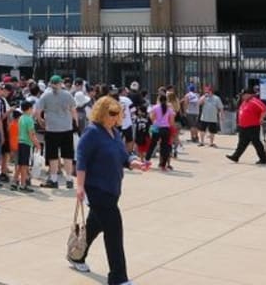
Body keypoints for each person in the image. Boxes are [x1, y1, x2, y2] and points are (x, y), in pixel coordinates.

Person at [71, 96, 148, 284]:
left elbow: (124, 156)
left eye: (117, 113)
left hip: (112, 189)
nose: (115, 117)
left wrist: (135, 163)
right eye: (111, 113)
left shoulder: (113, 132)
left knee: (94, 226)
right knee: (114, 231)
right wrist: (80, 186)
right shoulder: (92, 132)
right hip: (97, 189)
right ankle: (118, 277)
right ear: (101, 112)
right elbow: (82, 160)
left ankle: (76, 255)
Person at [35, 75, 78, 189]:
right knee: (68, 155)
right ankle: (69, 179)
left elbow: (37, 111)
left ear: (50, 83)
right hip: (66, 128)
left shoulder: (45, 95)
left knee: (53, 155)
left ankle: (54, 179)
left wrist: (41, 122)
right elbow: (74, 110)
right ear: (60, 83)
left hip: (52, 128)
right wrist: (76, 123)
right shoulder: (67, 94)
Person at [227, 87, 266, 165]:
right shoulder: (244, 102)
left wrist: (261, 118)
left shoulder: (255, 101)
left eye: (243, 95)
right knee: (241, 143)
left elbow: (265, 109)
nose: (242, 96)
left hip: (252, 126)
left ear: (249, 94)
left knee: (256, 143)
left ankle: (263, 159)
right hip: (243, 127)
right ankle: (235, 156)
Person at [13, 100, 39, 192]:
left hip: (20, 142)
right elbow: (31, 134)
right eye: (31, 108)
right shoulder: (29, 119)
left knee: (20, 164)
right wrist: (37, 144)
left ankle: (14, 181)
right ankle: (23, 184)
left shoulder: (21, 118)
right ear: (29, 109)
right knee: (24, 165)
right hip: (26, 144)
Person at [147, 94, 175, 171]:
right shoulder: (169, 109)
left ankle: (146, 161)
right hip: (166, 128)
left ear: (159, 99)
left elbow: (152, 117)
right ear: (166, 100)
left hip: (156, 127)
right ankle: (163, 165)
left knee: (152, 145)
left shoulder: (155, 107)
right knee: (165, 147)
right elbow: (172, 121)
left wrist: (155, 123)